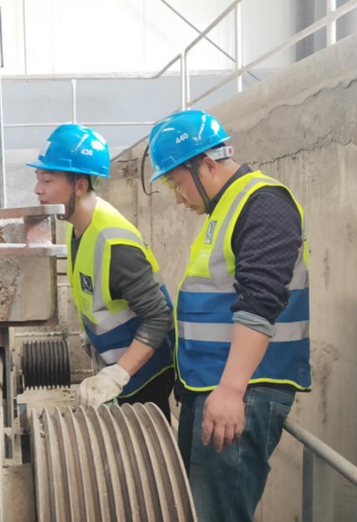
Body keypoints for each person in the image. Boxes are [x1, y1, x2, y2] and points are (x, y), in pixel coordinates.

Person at [147, 109, 311, 521]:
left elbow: (261, 301)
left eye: (176, 182)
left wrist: (232, 390)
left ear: (207, 164)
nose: (177, 197)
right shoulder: (225, 210)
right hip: (213, 387)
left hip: (242, 390)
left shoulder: (264, 203)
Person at [28, 124, 175, 418]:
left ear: (80, 185)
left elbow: (158, 317)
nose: (38, 189)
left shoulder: (114, 243)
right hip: (118, 367)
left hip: (141, 376)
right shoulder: (77, 225)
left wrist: (118, 375)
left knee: (144, 445)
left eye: (47, 180)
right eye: (38, 179)